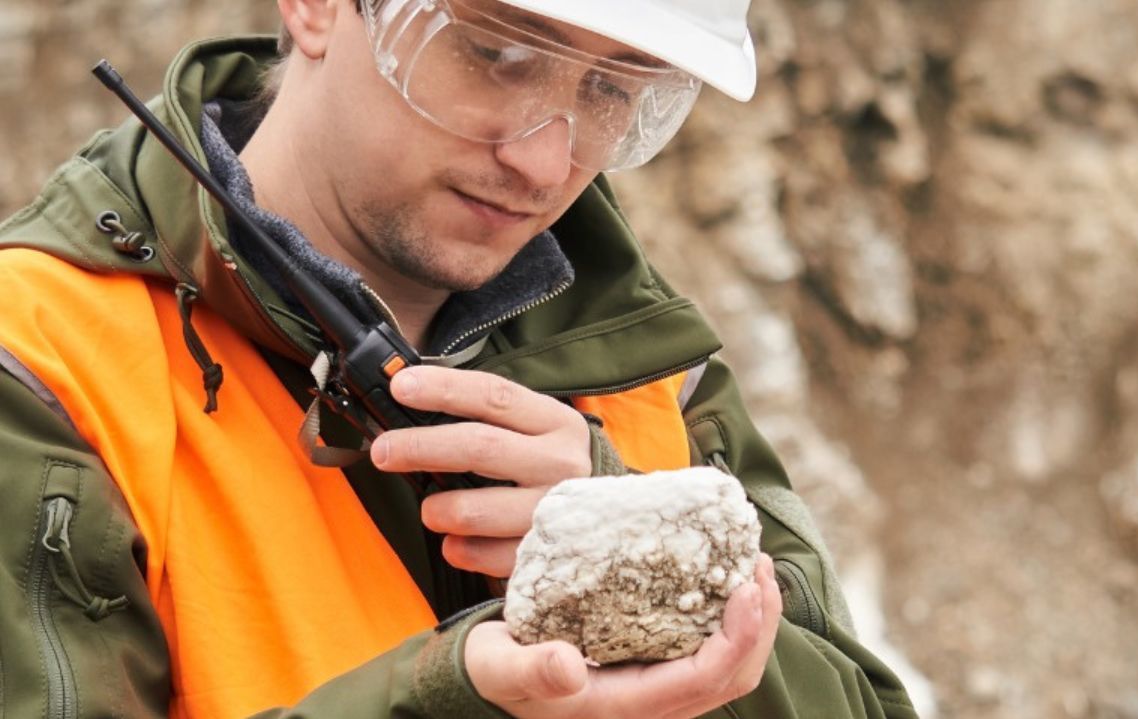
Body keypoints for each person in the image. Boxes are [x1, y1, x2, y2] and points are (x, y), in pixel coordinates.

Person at [0, 0, 917, 716]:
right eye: (499, 54)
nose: (543, 162)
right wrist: (455, 697)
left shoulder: (643, 373)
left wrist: (657, 583)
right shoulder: (43, 365)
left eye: (614, 90)